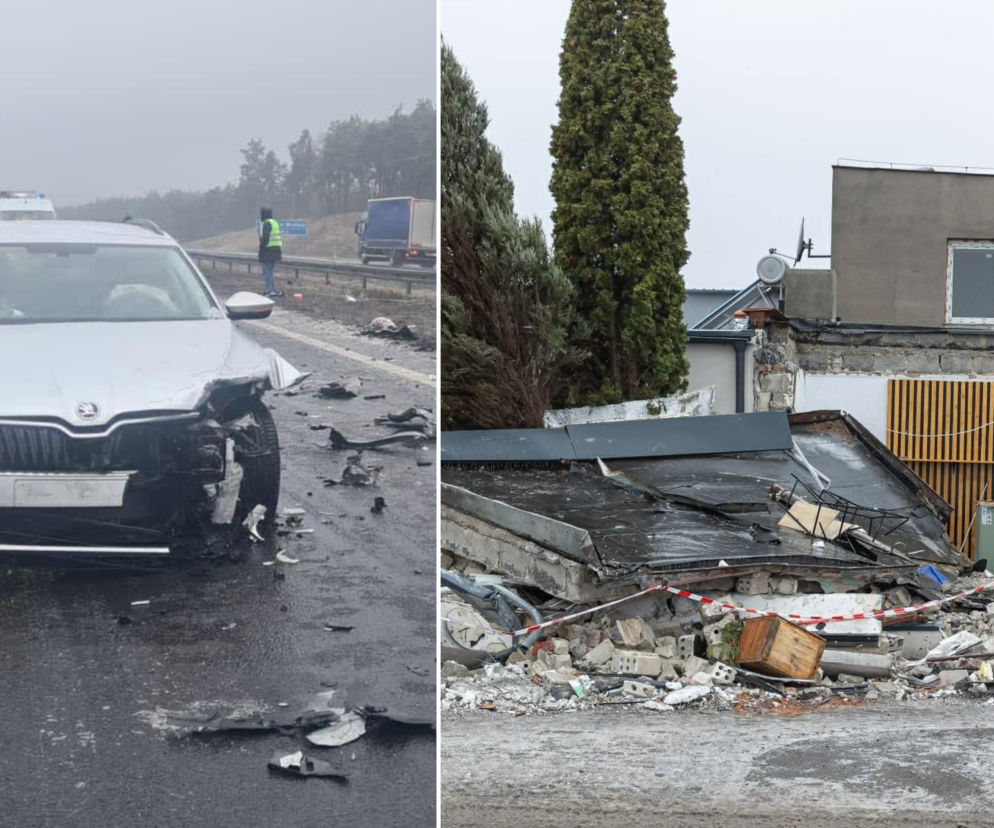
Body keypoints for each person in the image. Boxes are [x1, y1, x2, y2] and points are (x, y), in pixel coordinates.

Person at [258, 207, 284, 297]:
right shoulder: (274, 223)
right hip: (276, 250)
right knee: (270, 271)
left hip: (268, 251)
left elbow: (265, 239)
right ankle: (271, 289)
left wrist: (261, 250)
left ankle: (269, 290)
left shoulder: (266, 223)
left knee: (267, 271)